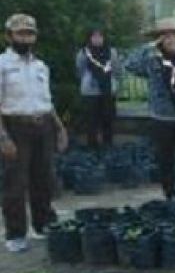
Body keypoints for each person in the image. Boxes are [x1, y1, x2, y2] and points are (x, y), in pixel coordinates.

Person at [0, 14, 68, 253]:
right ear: (9, 36)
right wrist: (3, 138)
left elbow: (46, 101)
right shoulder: (3, 65)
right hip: (14, 126)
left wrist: (59, 128)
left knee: (44, 178)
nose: (25, 37)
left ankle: (43, 225)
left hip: (43, 125)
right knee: (15, 183)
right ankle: (16, 234)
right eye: (20, 33)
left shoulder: (41, 66)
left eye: (29, 33)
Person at [125, 17, 175, 200]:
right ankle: (170, 195)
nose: (171, 40)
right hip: (161, 118)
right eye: (166, 37)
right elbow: (129, 64)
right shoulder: (152, 60)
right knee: (165, 161)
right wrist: (149, 46)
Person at [75, 28, 120, 149]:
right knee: (91, 119)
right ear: (89, 38)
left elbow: (116, 69)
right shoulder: (84, 52)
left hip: (108, 89)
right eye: (94, 36)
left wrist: (111, 81)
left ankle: (108, 143)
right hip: (90, 91)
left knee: (108, 117)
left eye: (100, 36)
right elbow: (80, 70)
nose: (97, 39)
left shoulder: (111, 52)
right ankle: (92, 144)